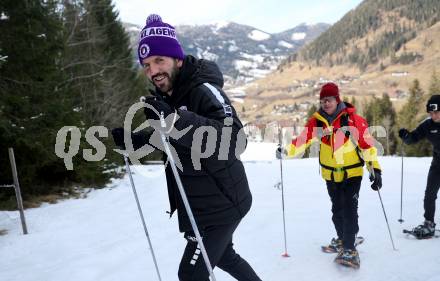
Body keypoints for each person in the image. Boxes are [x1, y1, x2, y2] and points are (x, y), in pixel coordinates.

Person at [111, 14, 262, 281]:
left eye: (159, 60)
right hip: (202, 203)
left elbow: (234, 140)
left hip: (221, 203)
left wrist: (172, 120)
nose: (153, 71)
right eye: (146, 65)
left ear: (177, 59)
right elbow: (173, 140)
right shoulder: (167, 96)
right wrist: (137, 141)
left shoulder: (203, 90)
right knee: (225, 256)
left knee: (191, 275)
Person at [277, 82, 382, 268]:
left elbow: (367, 146)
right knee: (337, 210)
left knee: (349, 210)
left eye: (329, 100)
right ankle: (344, 239)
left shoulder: (352, 120)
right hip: (330, 174)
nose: (326, 103)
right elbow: (302, 140)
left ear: (337, 99)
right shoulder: (317, 121)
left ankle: (350, 249)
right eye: (323, 100)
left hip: (352, 173)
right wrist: (286, 151)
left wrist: (376, 170)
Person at [398, 94, 440, 238]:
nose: (433, 115)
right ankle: (429, 224)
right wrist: (406, 136)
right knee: (429, 194)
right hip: (438, 164)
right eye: (431, 113)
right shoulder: (428, 125)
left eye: (436, 112)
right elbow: (414, 138)